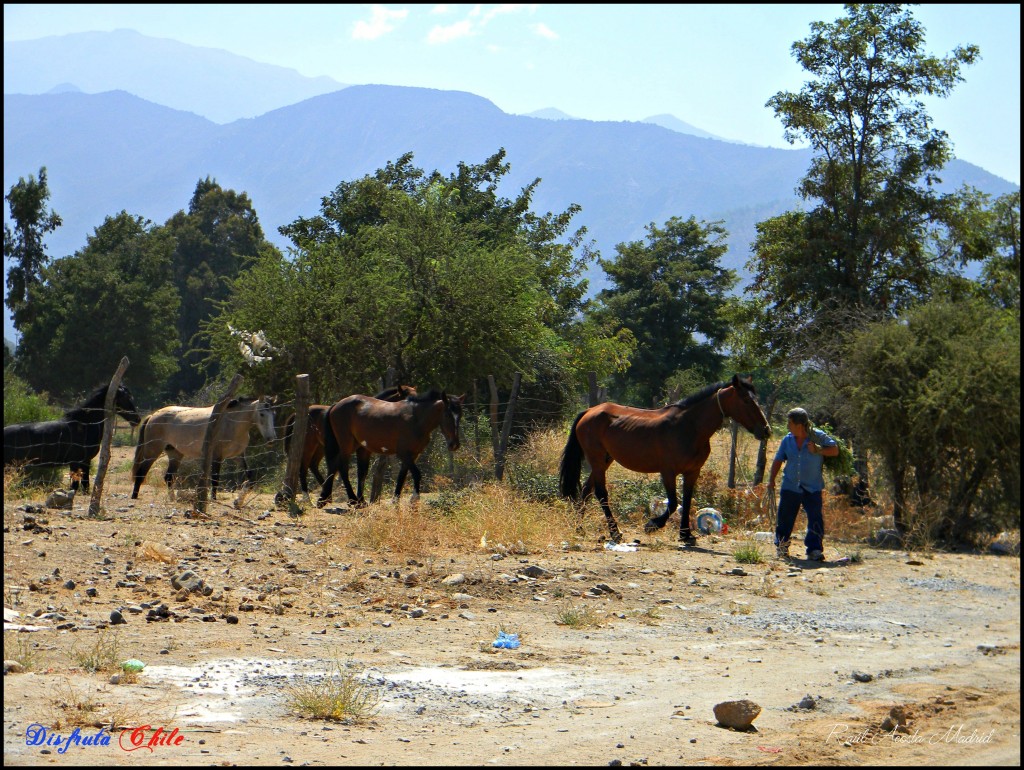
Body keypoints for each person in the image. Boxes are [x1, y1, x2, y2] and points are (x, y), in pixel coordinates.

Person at [767, 407, 839, 561]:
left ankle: (814, 550)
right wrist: (771, 480)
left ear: (799, 425)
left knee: (815, 518)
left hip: (812, 486)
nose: (788, 426)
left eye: (790, 423)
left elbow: (834, 450)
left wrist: (818, 450)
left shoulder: (818, 437)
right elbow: (779, 459)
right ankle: (782, 548)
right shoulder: (787, 440)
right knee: (784, 518)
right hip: (790, 485)